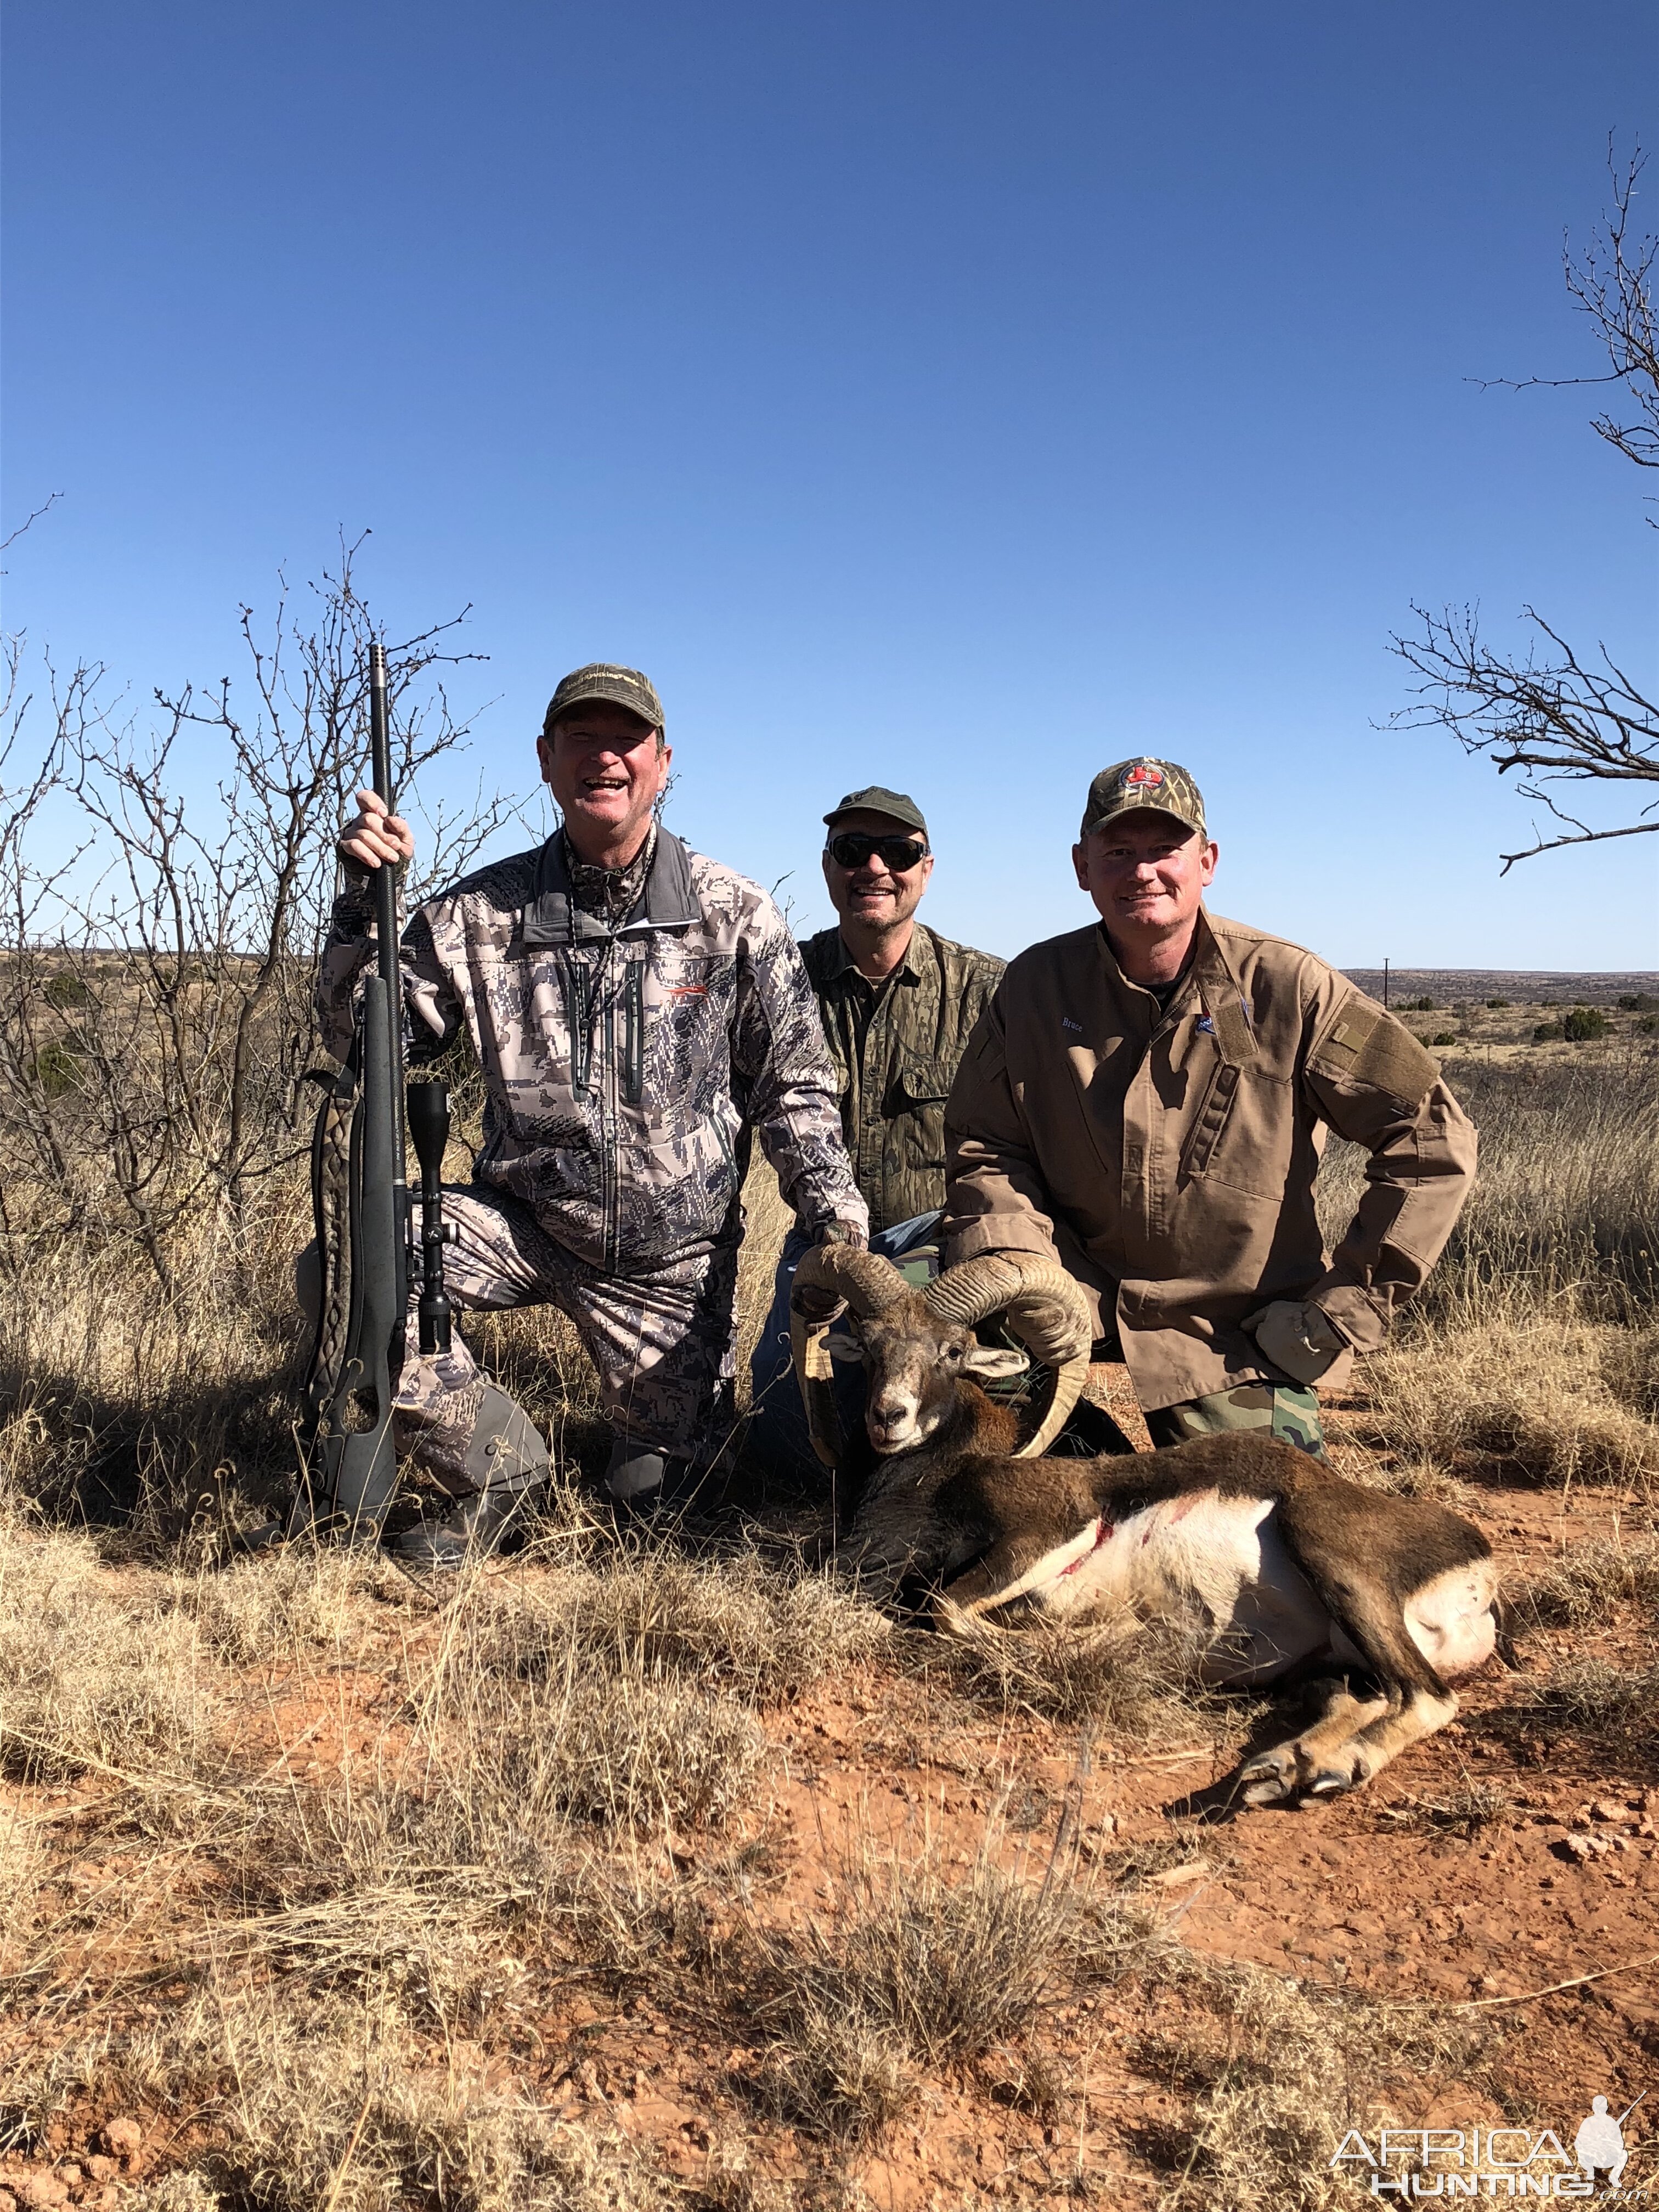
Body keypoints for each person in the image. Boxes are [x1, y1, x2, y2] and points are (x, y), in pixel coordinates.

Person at [318, 662, 867, 1560]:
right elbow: (358, 1049)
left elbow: (793, 1088)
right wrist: (356, 903)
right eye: (581, 738)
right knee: (357, 1261)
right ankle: (502, 1469)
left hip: (669, 1268)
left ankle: (646, 1449)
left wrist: (835, 1224)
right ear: (545, 759)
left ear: (661, 763)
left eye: (625, 740)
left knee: (659, 1514)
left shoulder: (734, 914)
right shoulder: (476, 913)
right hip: (521, 1224)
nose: (603, 756)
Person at [941, 756, 1477, 1455]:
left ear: (1208, 861)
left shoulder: (1292, 986)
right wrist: (1018, 1265)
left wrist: (1343, 1312)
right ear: (1082, 866)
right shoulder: (1034, 986)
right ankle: (1083, 1460)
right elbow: (987, 1146)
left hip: (1228, 1330)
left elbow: (1433, 1142)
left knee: (1257, 1527)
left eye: (1165, 850)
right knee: (905, 1327)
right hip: (1073, 1291)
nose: (1142, 872)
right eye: (1118, 852)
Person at [747, 786, 1003, 1478]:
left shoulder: (987, 989)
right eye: (852, 851)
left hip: (940, 1246)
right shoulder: (778, 979)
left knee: (963, 1424)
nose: (875, 868)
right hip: (824, 1249)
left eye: (899, 852)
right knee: (786, 1450)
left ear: (927, 867)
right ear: (829, 868)